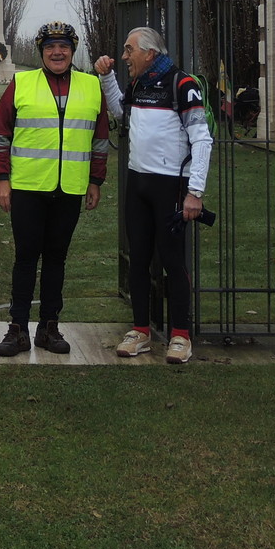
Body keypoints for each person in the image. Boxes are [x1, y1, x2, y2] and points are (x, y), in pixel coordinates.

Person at [0, 20, 108, 357]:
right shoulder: (21, 83)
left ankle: (49, 326)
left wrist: (95, 181)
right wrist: (2, 179)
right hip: (27, 187)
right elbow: (0, 135)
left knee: (57, 259)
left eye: (64, 47)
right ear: (42, 52)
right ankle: (17, 328)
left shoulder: (91, 86)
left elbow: (100, 140)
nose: (58, 52)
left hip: (69, 189)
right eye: (51, 47)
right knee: (26, 258)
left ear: (73, 51)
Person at [94, 26, 213, 364]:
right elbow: (122, 114)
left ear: (149, 53)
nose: (125, 56)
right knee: (139, 260)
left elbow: (202, 140)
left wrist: (195, 192)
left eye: (129, 50)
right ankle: (141, 331)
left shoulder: (183, 85)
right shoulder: (139, 84)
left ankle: (180, 335)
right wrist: (106, 78)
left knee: (173, 262)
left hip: (171, 188)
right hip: (138, 183)